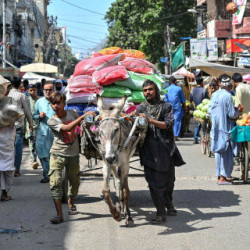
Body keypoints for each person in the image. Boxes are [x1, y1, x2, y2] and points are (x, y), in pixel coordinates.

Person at [135, 79, 185, 224]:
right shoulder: (140, 109)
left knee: (169, 182)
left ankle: (169, 205)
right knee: (154, 184)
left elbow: (168, 124)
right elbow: (136, 129)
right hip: (148, 151)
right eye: (145, 90)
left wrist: (149, 120)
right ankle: (160, 212)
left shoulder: (166, 106)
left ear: (156, 90)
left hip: (166, 149)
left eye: (150, 89)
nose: (147, 92)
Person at [47, 92, 96, 224]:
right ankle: (59, 215)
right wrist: (84, 116)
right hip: (57, 155)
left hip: (73, 154)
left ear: (64, 103)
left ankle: (71, 202)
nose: (55, 106)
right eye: (53, 103)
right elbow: (67, 128)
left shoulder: (73, 113)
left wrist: (90, 119)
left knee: (75, 183)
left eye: (58, 103)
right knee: (55, 184)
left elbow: (82, 125)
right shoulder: (52, 120)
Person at [208, 75, 243, 184]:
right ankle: (223, 177)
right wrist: (239, 111)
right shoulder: (228, 96)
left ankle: (221, 176)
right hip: (225, 129)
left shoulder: (214, 95)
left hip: (216, 129)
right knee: (226, 154)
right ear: (229, 85)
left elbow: (209, 111)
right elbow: (231, 114)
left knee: (219, 153)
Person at [0, 76, 22, 201]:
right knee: (8, 166)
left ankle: (3, 191)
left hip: (7, 139)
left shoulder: (10, 101)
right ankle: (4, 192)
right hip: (8, 139)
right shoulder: (10, 101)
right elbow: (19, 116)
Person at [8, 77, 33, 176]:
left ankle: (7, 169)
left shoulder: (5, 94)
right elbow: (27, 111)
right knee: (18, 148)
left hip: (7, 126)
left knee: (7, 148)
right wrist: (31, 124)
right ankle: (16, 170)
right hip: (18, 125)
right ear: (20, 84)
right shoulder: (21, 95)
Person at [33, 81, 55, 183]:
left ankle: (53, 175)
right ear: (43, 90)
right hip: (42, 132)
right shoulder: (39, 102)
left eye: (50, 90)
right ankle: (46, 174)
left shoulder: (58, 101)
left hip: (55, 133)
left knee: (53, 155)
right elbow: (34, 116)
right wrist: (39, 116)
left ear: (53, 90)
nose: (47, 91)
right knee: (41, 153)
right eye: (46, 89)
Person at [164, 76, 187, 141]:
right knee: (177, 121)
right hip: (177, 107)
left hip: (169, 107)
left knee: (169, 121)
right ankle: (175, 136)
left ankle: (170, 135)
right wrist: (185, 107)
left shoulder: (166, 89)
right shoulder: (179, 88)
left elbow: (165, 100)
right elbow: (183, 99)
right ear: (175, 82)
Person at [25, 84, 40, 169]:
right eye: (31, 90)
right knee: (31, 144)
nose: (32, 92)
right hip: (30, 126)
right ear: (28, 91)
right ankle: (33, 161)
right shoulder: (26, 101)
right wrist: (24, 127)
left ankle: (37, 158)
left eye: (34, 90)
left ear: (37, 90)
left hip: (39, 127)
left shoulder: (40, 101)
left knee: (38, 144)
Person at [190, 76, 208, 144]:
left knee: (198, 124)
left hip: (196, 110)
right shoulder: (204, 90)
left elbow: (191, 99)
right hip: (203, 110)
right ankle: (201, 139)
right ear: (201, 82)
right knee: (203, 125)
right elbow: (207, 100)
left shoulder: (192, 90)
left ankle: (195, 138)